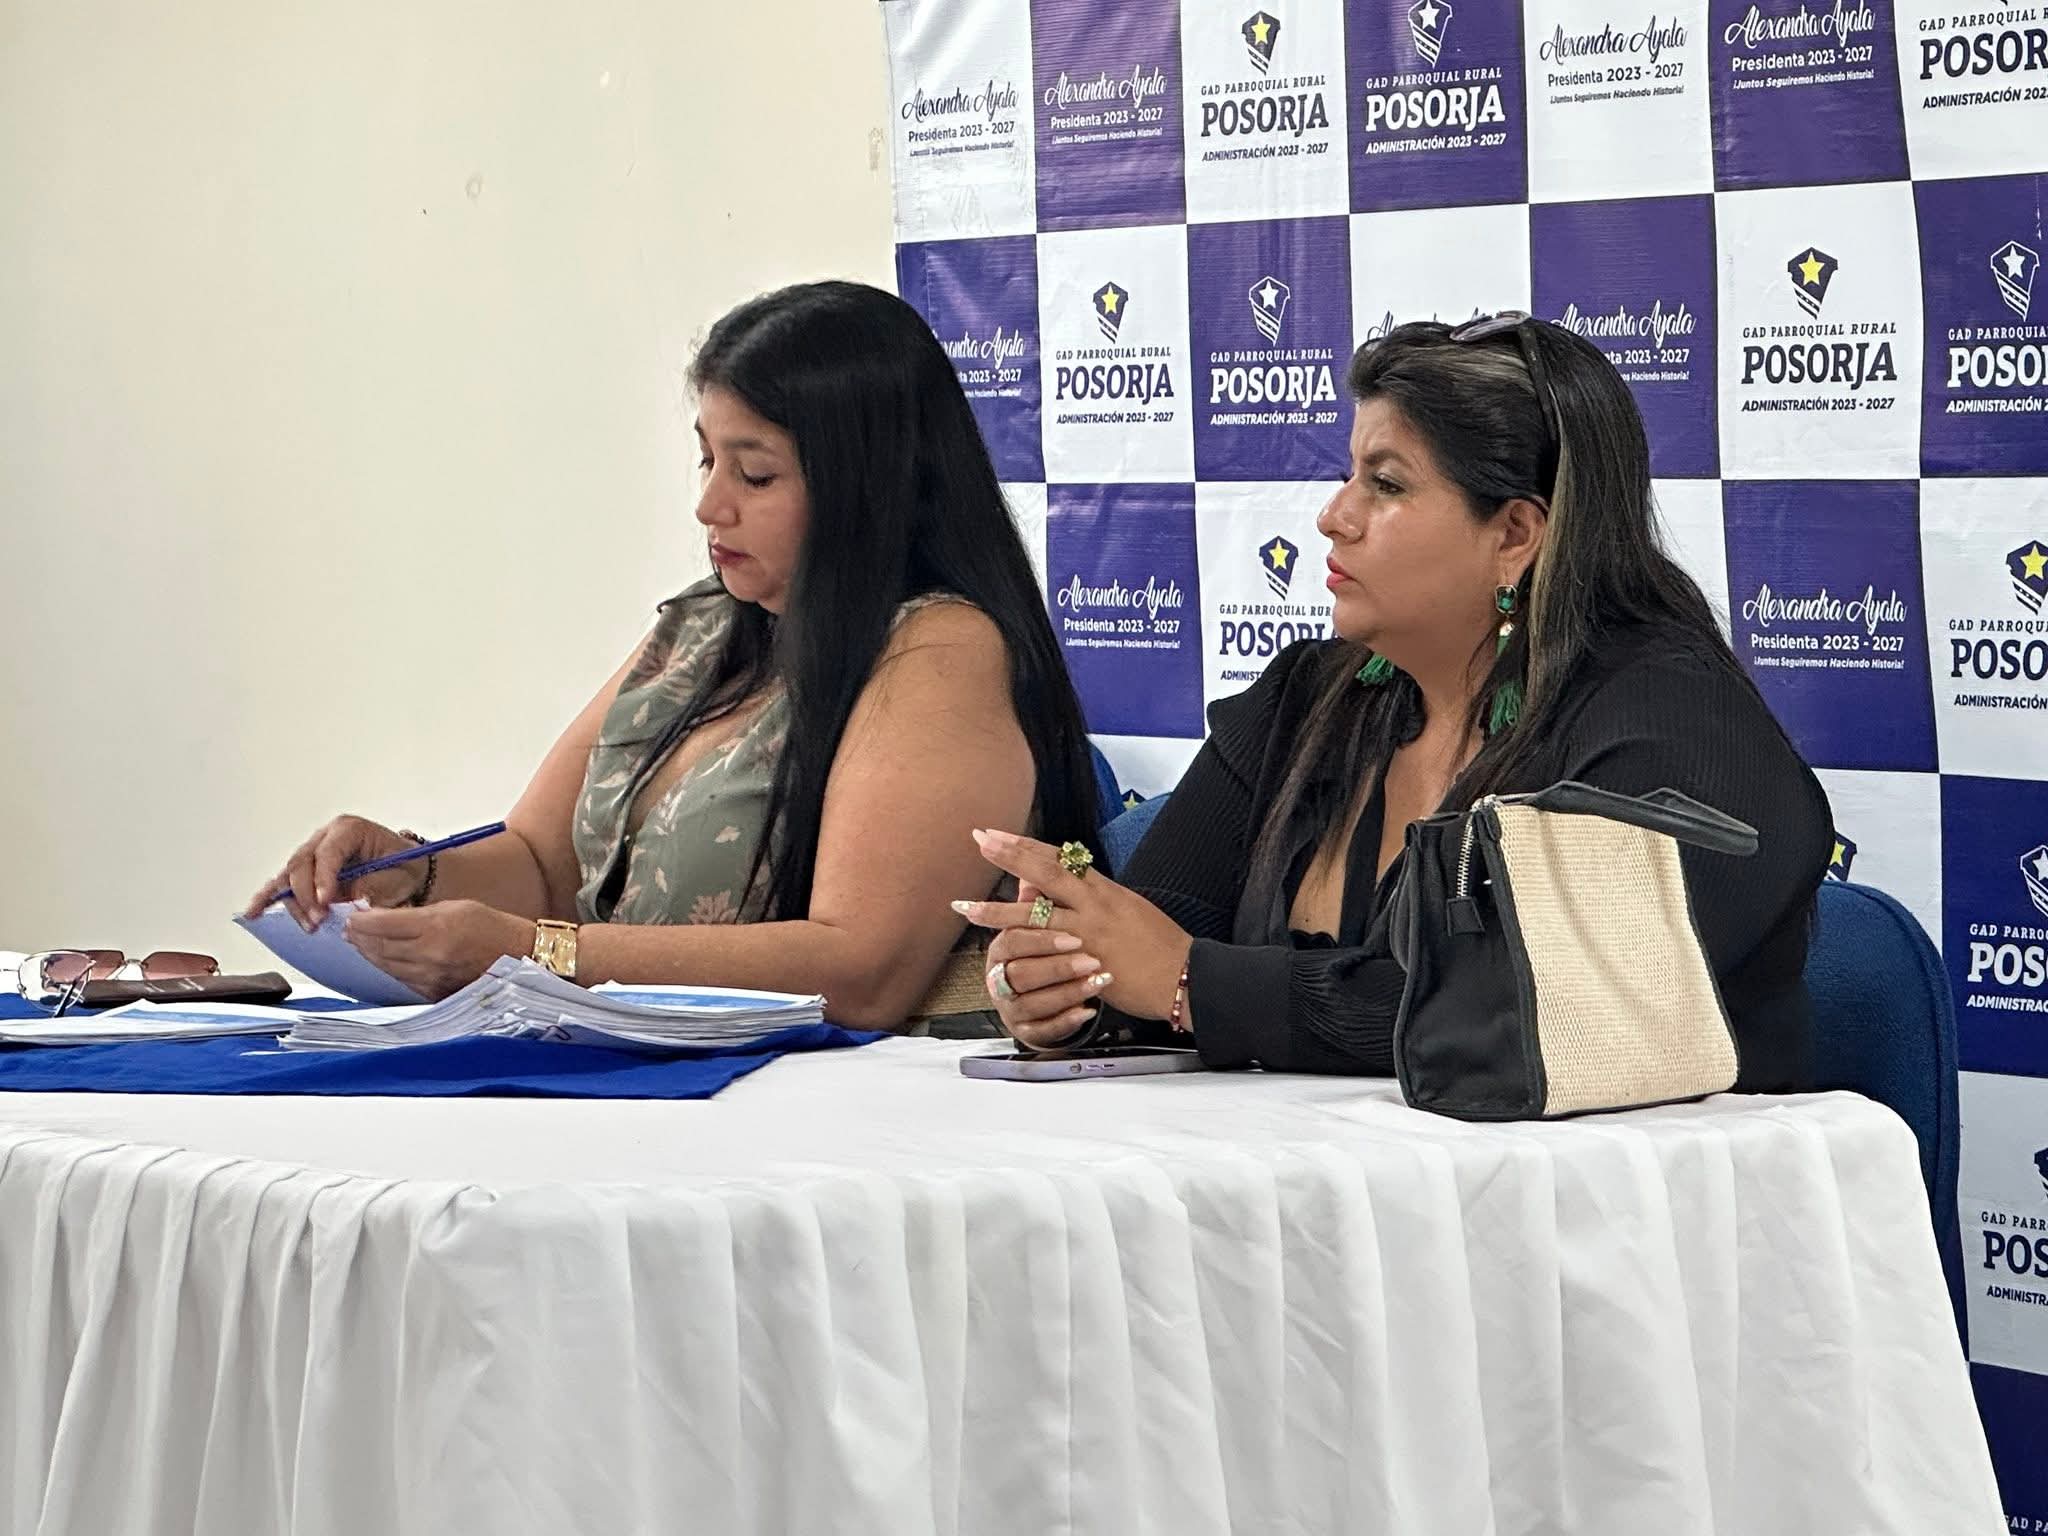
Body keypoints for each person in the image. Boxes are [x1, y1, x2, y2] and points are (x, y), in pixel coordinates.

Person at [960, 313, 1833, 1091]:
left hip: (1614, 1204)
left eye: (1386, 484)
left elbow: (1515, 1013)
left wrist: (1195, 983)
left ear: (1514, 534)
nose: (1334, 516)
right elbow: (1154, 936)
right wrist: (1072, 983)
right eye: (1351, 475)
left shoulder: (1674, 728)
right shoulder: (1308, 698)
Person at [248, 280, 1099, 1030]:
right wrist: (414, 874)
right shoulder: (703, 626)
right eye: (706, 458)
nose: (709, 506)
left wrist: (539, 955)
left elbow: (861, 972)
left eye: (754, 475)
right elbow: (543, 864)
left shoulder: (939, 651)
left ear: (866, 489)